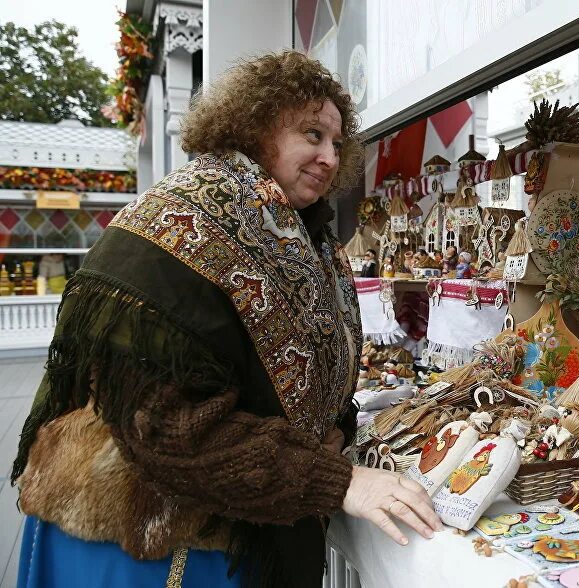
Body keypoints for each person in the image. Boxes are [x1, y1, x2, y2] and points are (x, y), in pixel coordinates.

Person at [11, 51, 440, 588]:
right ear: (256, 127)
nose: (329, 158)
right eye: (311, 134)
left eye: (336, 143)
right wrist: (334, 479)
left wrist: (332, 433)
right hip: (150, 545)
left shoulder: (297, 233)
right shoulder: (176, 220)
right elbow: (164, 426)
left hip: (239, 528)